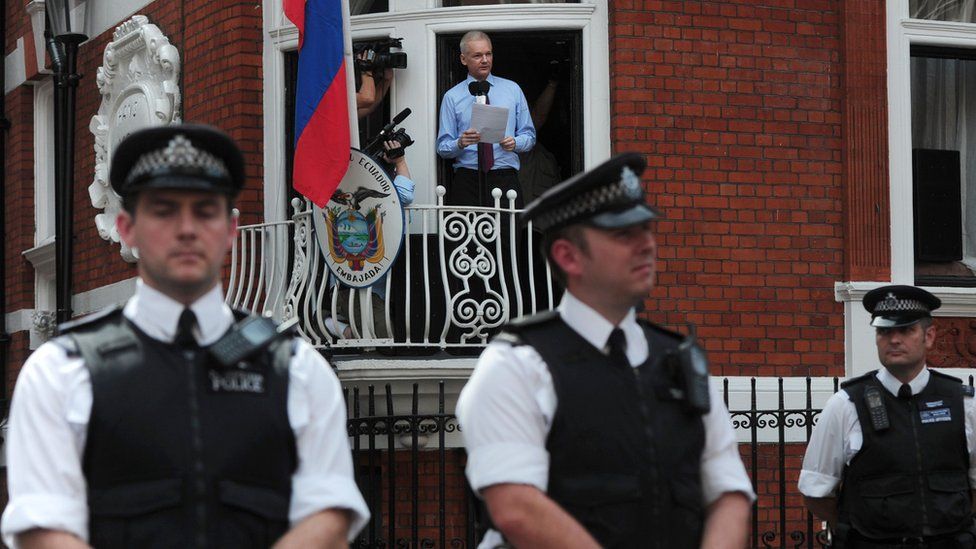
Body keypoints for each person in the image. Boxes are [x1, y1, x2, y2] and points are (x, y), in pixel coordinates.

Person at [0, 124, 370, 548]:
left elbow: (331, 515)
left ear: (231, 229)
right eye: (163, 211)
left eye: (205, 210)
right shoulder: (61, 371)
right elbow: (42, 528)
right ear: (127, 228)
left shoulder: (297, 368)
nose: (187, 229)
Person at [456, 152, 754, 548]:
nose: (647, 245)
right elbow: (516, 507)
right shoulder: (517, 364)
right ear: (568, 256)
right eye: (623, 234)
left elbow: (729, 492)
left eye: (647, 229)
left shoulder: (680, 360)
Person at [799, 285, 976, 548]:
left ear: (929, 336)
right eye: (884, 331)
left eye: (906, 330)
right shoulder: (846, 405)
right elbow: (815, 491)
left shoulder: (963, 404)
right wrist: (856, 532)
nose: (894, 339)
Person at [436, 30, 536, 207]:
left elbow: (529, 136)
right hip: (468, 179)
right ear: (463, 59)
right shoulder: (452, 97)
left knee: (508, 234)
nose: (485, 60)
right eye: (477, 55)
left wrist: (515, 143)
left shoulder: (512, 90)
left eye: (488, 54)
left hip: (505, 177)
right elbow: (442, 148)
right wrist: (460, 142)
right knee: (468, 234)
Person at [332, 139, 415, 339]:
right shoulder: (346, 193)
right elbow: (403, 196)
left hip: (379, 284)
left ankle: (344, 330)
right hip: (361, 286)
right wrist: (400, 162)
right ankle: (345, 331)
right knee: (383, 339)